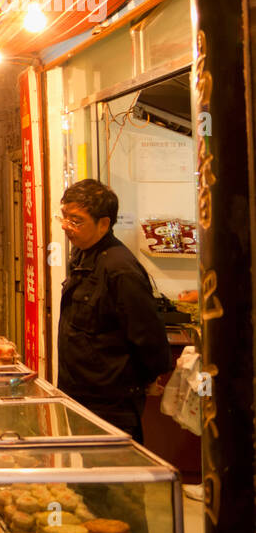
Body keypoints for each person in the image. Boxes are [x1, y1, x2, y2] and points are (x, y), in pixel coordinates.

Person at [56, 179, 172, 443]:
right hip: (79, 394)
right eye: (64, 218)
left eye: (76, 221)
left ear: (104, 224)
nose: (66, 227)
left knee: (114, 480)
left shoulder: (120, 269)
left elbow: (148, 335)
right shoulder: (83, 255)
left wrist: (149, 378)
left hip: (110, 403)